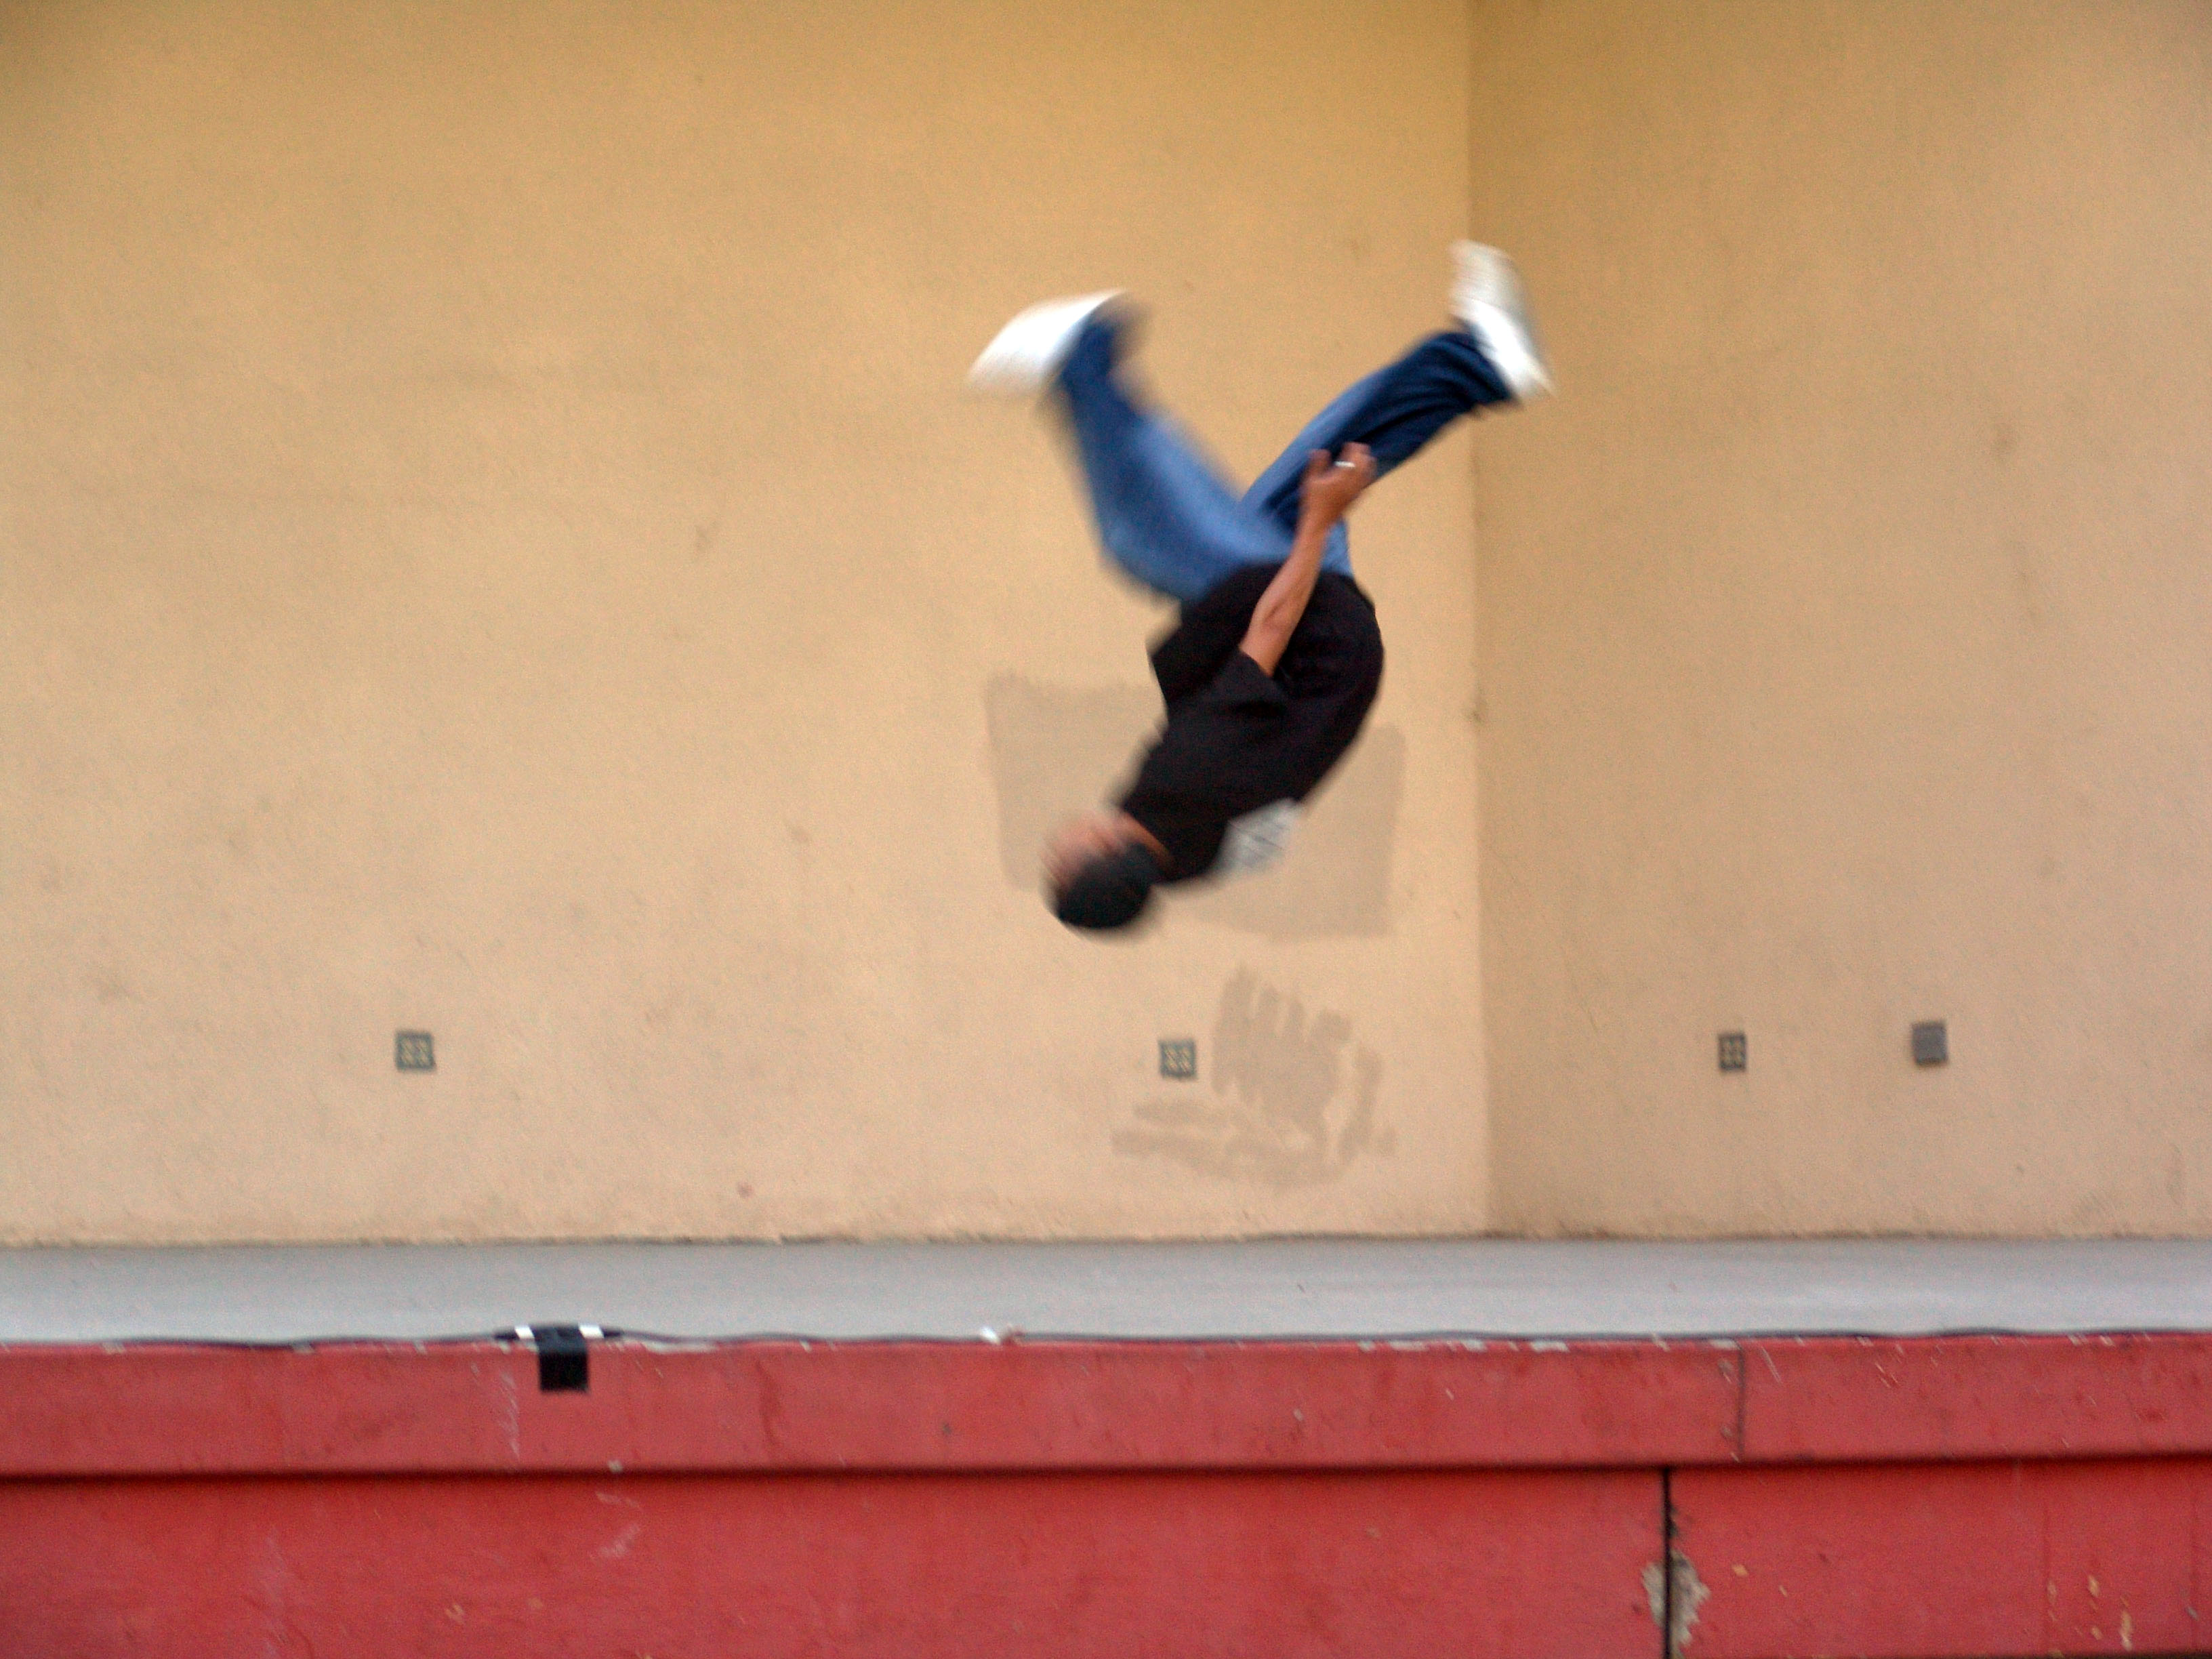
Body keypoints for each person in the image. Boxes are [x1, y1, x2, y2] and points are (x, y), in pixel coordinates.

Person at [970, 243, 1551, 932]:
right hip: (1304, 628)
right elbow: (1268, 634)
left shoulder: (1184, 860)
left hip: (1334, 658)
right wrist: (1320, 524)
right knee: (1140, 538)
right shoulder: (1181, 785)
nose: (1052, 846)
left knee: (1331, 457)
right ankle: (1084, 353)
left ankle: (1483, 363)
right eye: (1058, 860)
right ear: (1099, 848)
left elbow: (1267, 834)